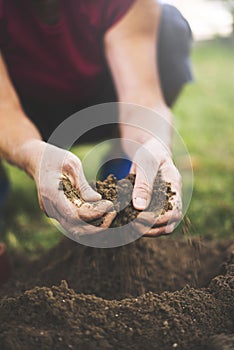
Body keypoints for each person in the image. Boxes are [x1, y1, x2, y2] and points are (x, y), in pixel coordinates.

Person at [0, 0, 193, 237]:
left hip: (101, 100)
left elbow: (142, 96)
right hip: (26, 108)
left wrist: (151, 143)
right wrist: (32, 153)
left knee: (170, 23)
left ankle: (126, 161)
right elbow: (4, 109)